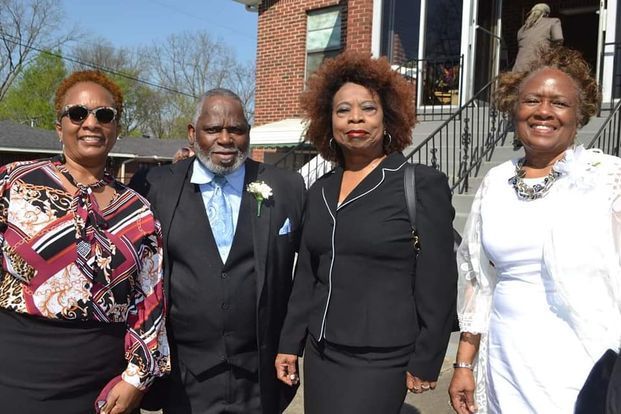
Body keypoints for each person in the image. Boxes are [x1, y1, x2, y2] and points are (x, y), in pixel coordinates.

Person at [275, 51, 458, 413]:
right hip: (321, 351)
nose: (355, 118)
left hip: (381, 357)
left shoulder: (420, 184)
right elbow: (308, 275)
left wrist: (428, 355)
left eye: (368, 108)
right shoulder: (320, 190)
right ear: (328, 121)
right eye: (342, 110)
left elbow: (438, 280)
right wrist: (289, 343)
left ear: (388, 117)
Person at [448, 46, 621, 413]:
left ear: (579, 114)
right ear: (515, 108)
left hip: (585, 361)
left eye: (559, 103)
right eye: (532, 100)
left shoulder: (608, 179)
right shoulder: (495, 181)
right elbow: (479, 280)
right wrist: (464, 363)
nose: (544, 111)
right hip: (506, 358)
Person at [0, 70, 170, 414]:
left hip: (103, 380)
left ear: (116, 129)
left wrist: (136, 378)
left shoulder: (138, 211)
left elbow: (149, 300)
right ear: (59, 126)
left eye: (104, 115)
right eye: (77, 113)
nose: (91, 123)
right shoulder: (13, 184)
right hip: (16, 369)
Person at [142, 88, 306, 413]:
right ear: (193, 133)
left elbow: (309, 271)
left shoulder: (287, 186)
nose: (226, 139)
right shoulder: (156, 186)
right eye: (214, 129)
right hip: (185, 375)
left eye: (236, 129)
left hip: (258, 373)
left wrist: (291, 343)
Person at [512, 3, 563, 72]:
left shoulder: (522, 29)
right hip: (538, 67)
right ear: (546, 14)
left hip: (519, 68)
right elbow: (558, 39)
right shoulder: (553, 21)